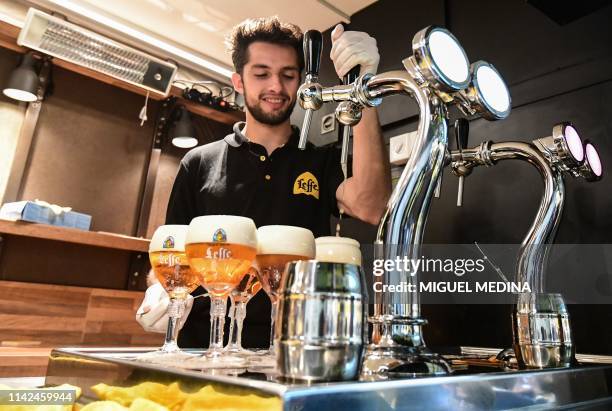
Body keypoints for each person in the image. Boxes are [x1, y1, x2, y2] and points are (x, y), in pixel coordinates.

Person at [137, 16, 391, 348]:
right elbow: (172, 252)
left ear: (301, 81)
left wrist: (364, 92)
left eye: (288, 75)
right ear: (238, 81)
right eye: (261, 74)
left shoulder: (320, 161)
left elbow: (373, 207)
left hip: (294, 347)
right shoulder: (198, 162)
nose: (275, 86)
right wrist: (158, 289)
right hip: (204, 347)